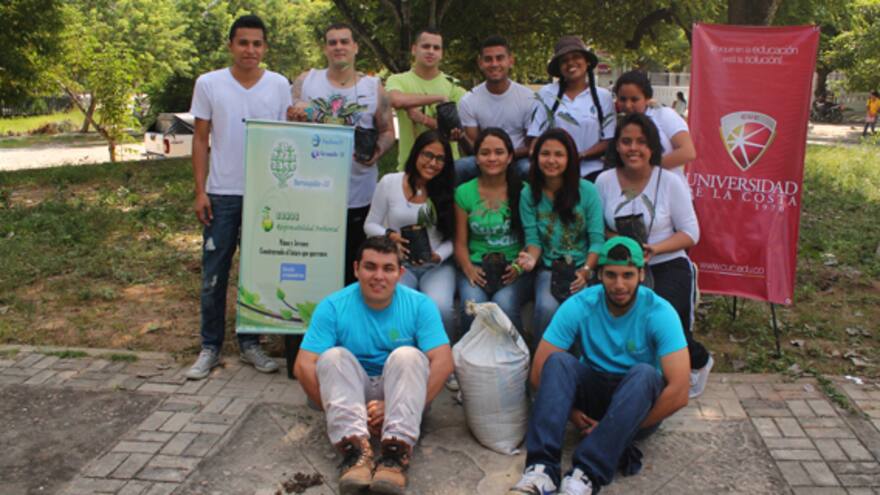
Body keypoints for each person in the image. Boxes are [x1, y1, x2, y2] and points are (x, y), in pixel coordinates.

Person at [508, 237, 690, 495]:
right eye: (611, 275)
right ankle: (541, 470)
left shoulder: (659, 312)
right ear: (599, 275)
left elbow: (680, 392)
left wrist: (618, 428)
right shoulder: (581, 304)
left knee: (646, 374)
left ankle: (585, 476)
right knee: (558, 362)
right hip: (593, 390)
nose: (619, 285)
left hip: (635, 404)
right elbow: (539, 372)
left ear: (641, 274)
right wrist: (572, 413)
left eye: (627, 275)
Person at [293, 236, 454, 495]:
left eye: (388, 268)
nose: (379, 276)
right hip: (353, 392)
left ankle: (395, 454)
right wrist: (345, 412)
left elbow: (444, 362)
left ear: (400, 273)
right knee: (333, 357)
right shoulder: (333, 306)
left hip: (401, 392)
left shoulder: (420, 305)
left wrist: (397, 407)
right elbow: (303, 366)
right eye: (370, 267)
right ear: (356, 269)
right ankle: (354, 451)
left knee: (408, 355)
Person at [185, 15, 290, 380]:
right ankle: (210, 347)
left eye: (257, 44)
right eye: (243, 43)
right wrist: (200, 191)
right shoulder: (209, 83)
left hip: (265, 195)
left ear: (265, 47)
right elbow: (200, 139)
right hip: (222, 193)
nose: (250, 50)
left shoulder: (279, 85)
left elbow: (286, 137)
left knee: (257, 273)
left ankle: (250, 343)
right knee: (215, 273)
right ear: (231, 45)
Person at [595, 113, 712, 398]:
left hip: (666, 261)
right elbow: (596, 229)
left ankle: (698, 361)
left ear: (653, 148)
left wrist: (654, 249)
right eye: (626, 141)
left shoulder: (670, 181)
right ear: (617, 146)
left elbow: (690, 233)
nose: (633, 148)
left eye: (641, 142)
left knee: (668, 321)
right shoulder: (604, 181)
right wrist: (624, 244)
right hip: (623, 266)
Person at [288, 23, 395, 285]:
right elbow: (287, 126)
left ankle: (353, 322)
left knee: (356, 266)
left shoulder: (373, 88)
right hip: (313, 190)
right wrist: (296, 116)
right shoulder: (306, 81)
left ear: (355, 47)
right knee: (315, 262)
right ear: (325, 48)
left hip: (359, 192)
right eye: (333, 42)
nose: (339, 47)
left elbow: (387, 132)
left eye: (344, 42)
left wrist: (376, 152)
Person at [364, 130, 457, 342]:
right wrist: (390, 237)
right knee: (395, 304)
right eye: (427, 155)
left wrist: (438, 256)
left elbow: (455, 239)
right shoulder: (390, 183)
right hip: (399, 264)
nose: (432, 163)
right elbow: (370, 225)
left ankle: (443, 356)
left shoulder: (447, 191)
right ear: (416, 154)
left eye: (440, 159)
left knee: (440, 306)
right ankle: (396, 353)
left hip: (435, 266)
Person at [516, 128, 604, 349]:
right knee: (545, 308)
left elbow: (597, 241)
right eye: (545, 154)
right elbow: (533, 241)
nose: (551, 160)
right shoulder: (528, 194)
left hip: (582, 267)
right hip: (549, 268)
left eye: (559, 154)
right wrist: (529, 259)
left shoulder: (588, 191)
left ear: (570, 158)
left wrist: (585, 270)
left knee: (583, 310)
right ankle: (541, 368)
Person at [454, 128, 532, 335]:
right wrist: (468, 268)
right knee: (472, 306)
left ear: (509, 158)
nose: (492, 158)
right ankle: (467, 359)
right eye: (485, 153)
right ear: (476, 158)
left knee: (504, 303)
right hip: (477, 264)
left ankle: (517, 356)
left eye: (499, 152)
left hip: (512, 267)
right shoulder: (464, 192)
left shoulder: (523, 191)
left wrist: (518, 267)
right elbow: (460, 242)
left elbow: (532, 239)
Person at [527, 36, 615, 182]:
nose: (570, 63)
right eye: (564, 60)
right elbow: (537, 134)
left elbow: (608, 140)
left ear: (587, 62)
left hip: (592, 171)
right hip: (554, 171)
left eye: (576, 57)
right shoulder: (547, 94)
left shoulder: (603, 97)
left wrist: (580, 155)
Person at [454, 35, 535, 184]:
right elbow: (473, 147)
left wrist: (505, 156)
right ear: (480, 63)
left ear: (511, 61)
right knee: (457, 168)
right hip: (484, 159)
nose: (494, 64)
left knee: (530, 169)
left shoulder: (528, 98)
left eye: (500, 58)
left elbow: (532, 146)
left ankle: (533, 206)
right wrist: (461, 138)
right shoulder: (469, 100)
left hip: (517, 159)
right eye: (488, 59)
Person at [385, 29, 467, 170]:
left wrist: (423, 119)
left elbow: (455, 130)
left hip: (446, 169)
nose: (431, 51)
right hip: (409, 168)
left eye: (436, 48)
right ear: (414, 49)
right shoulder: (397, 80)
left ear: (441, 53)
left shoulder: (453, 86)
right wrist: (439, 98)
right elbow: (396, 100)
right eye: (425, 46)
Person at [614, 70, 696, 182]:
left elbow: (688, 152)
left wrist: (647, 169)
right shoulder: (618, 124)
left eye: (634, 99)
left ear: (647, 98)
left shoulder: (663, 115)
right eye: (623, 99)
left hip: (668, 189)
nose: (628, 105)